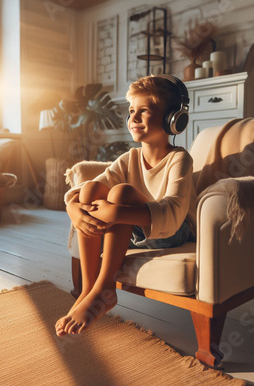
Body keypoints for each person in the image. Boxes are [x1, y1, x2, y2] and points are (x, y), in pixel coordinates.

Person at [55, 75, 197, 337]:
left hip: (170, 232)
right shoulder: (129, 158)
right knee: (91, 188)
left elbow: (174, 212)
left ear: (172, 119)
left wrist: (119, 211)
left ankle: (106, 287)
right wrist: (72, 208)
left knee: (121, 192)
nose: (134, 118)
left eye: (144, 111)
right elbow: (88, 189)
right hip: (133, 230)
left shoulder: (180, 159)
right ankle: (90, 290)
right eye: (132, 111)